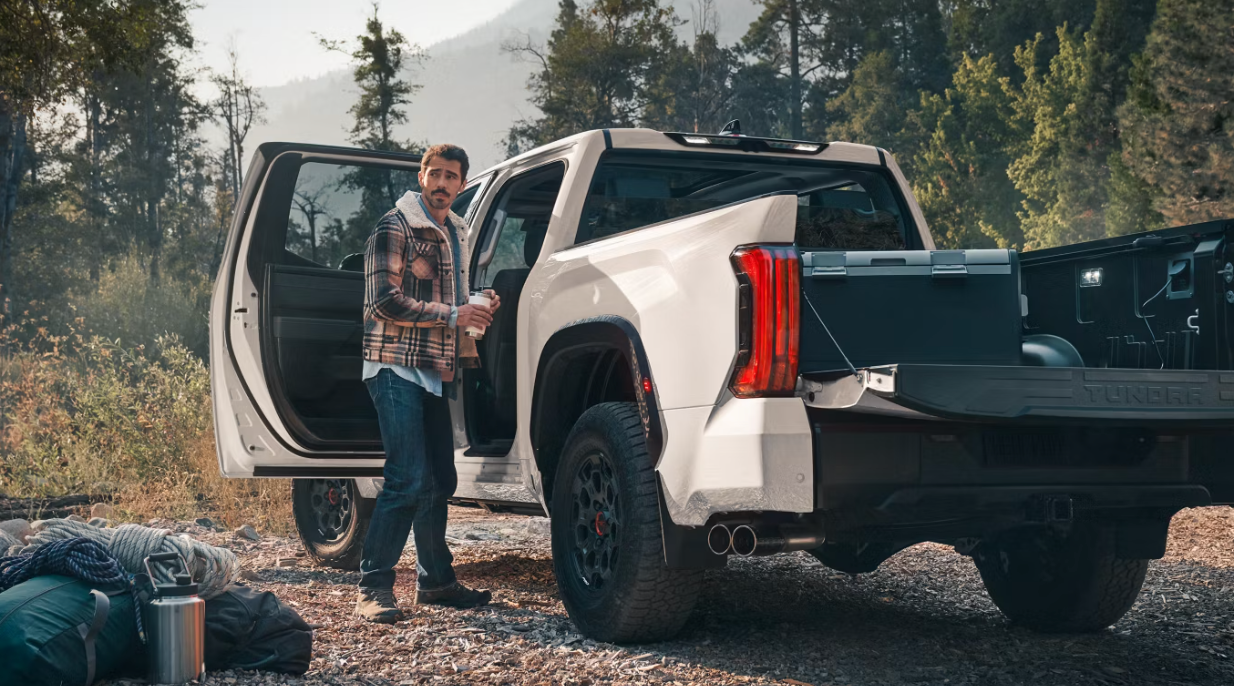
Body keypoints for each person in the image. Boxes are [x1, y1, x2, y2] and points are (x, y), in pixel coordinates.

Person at [355, 143, 501, 623]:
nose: (442, 184)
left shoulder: (455, 231)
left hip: (434, 370)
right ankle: (372, 588)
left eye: (451, 177)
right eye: (434, 174)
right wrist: (456, 313)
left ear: (462, 184)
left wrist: (478, 304)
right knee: (407, 479)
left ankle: (436, 582)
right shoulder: (393, 227)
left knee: (441, 480)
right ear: (421, 177)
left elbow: (452, 300)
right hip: (394, 366)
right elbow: (382, 302)